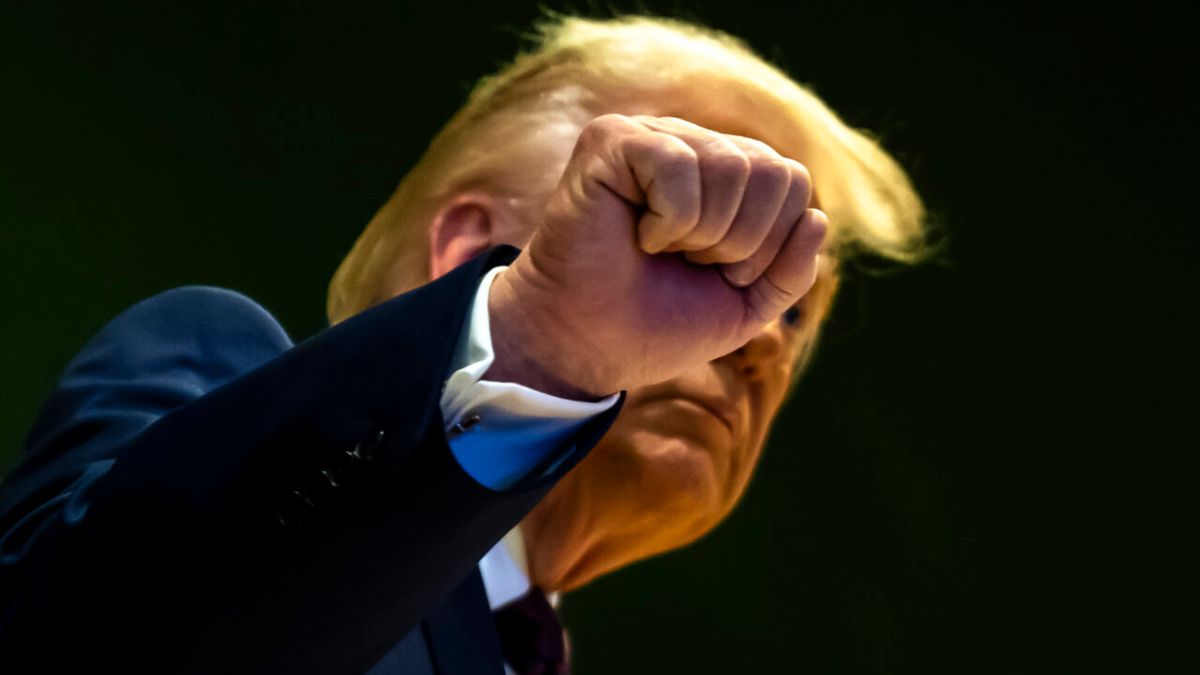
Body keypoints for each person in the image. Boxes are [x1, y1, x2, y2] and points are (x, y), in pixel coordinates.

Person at [0, 13, 934, 675]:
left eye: (796, 311)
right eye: (695, 236)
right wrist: (541, 341)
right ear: (465, 248)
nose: (762, 340)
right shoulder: (206, 362)